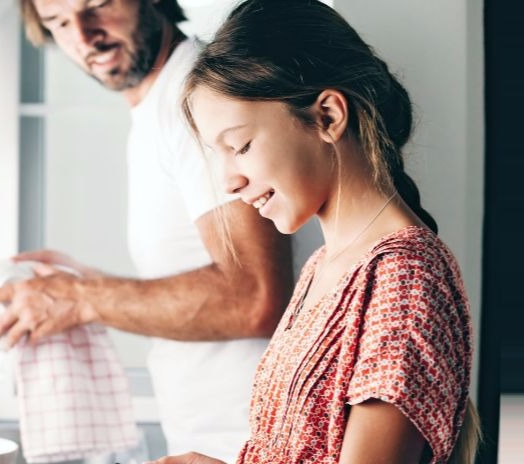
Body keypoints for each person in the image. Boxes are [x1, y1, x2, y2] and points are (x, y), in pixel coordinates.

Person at [152, 0, 480, 462]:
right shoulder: (325, 266)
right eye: (217, 155)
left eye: (240, 146)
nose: (228, 180)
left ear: (327, 115)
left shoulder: (404, 278)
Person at [0, 0, 297, 459]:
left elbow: (256, 297)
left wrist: (80, 298)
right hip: (214, 444)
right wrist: (87, 286)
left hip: (251, 443)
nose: (84, 36)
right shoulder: (159, 105)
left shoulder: (197, 95)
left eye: (97, 5)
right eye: (58, 22)